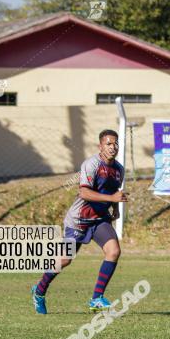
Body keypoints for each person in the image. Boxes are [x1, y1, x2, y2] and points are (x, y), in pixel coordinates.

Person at [30, 129, 127, 314]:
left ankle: (96, 298)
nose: (113, 147)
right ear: (100, 146)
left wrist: (114, 207)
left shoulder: (119, 169)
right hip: (79, 220)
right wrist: (113, 200)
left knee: (113, 251)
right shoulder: (91, 164)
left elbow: (112, 191)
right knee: (65, 260)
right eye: (108, 143)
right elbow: (84, 192)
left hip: (99, 219)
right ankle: (39, 291)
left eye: (115, 143)